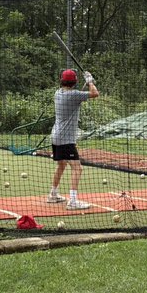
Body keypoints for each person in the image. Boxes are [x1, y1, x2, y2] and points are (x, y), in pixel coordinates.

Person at [47, 68, 99, 210]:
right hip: (66, 139)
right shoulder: (74, 95)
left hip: (56, 136)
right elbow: (95, 93)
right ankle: (73, 201)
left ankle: (53, 194)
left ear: (62, 81)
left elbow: (77, 96)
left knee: (61, 165)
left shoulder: (58, 93)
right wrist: (89, 81)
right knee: (77, 168)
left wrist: (87, 84)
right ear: (74, 82)